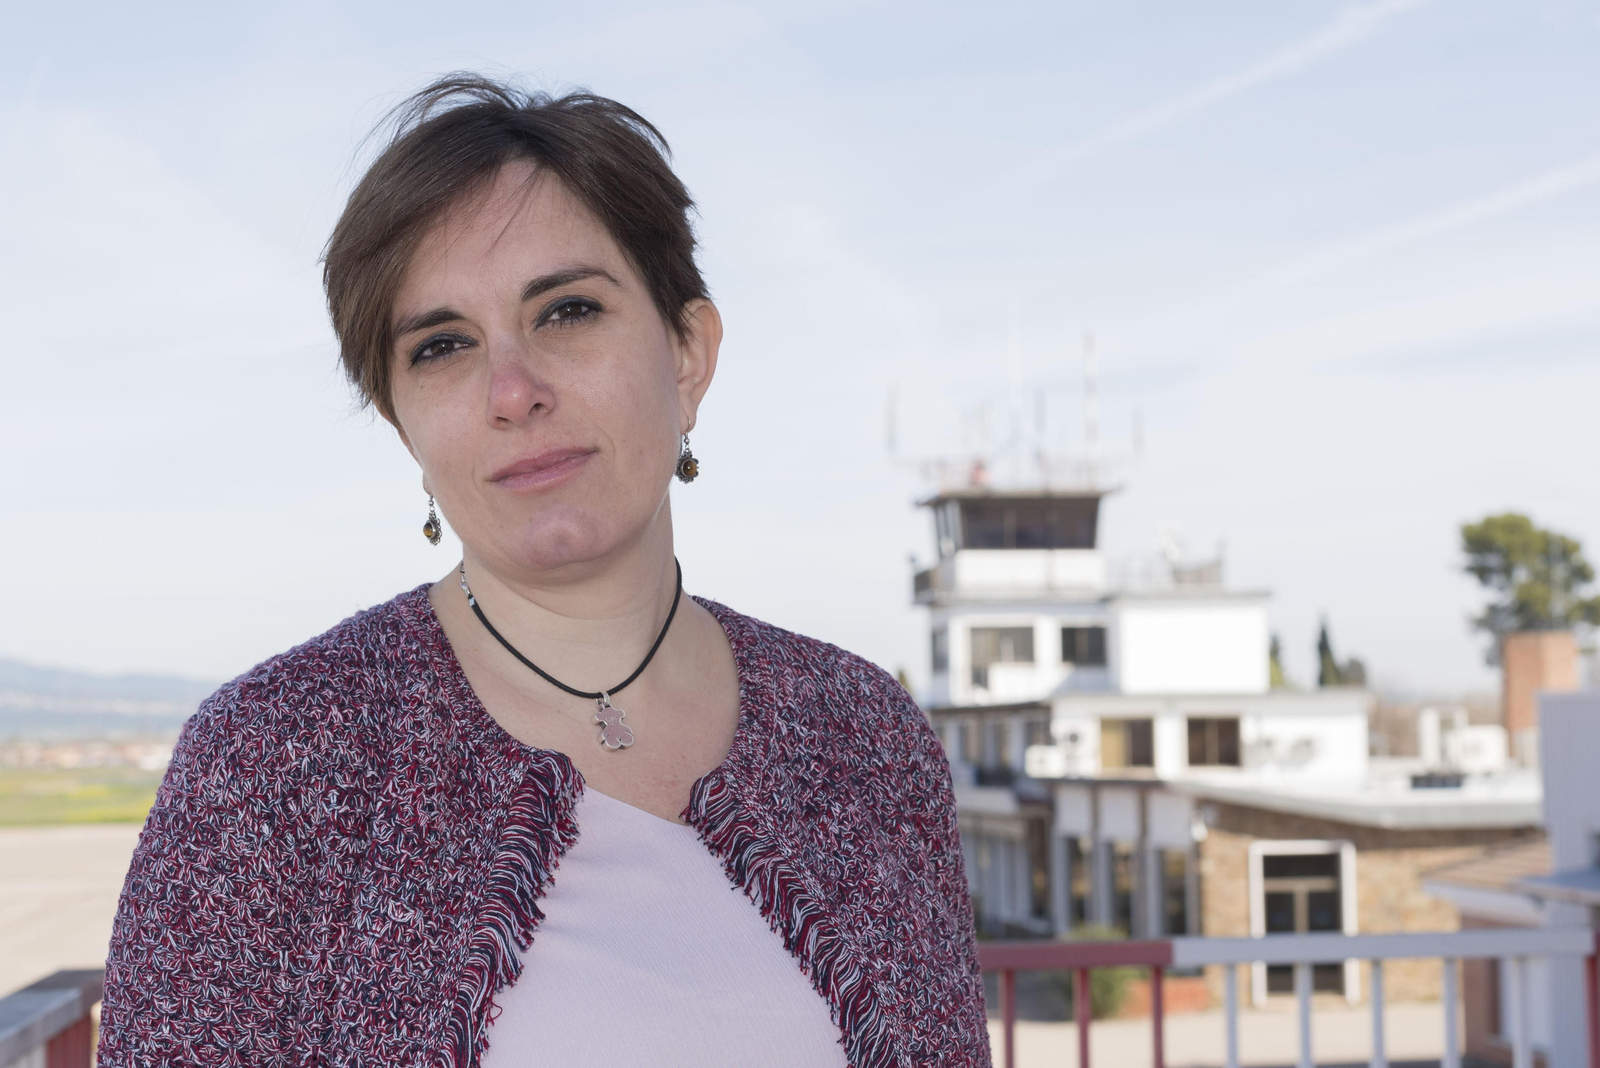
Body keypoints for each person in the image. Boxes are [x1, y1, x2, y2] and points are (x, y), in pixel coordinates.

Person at [96, 73, 988, 1067]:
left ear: (687, 352)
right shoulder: (273, 758)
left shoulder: (863, 736)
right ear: (402, 422)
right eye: (441, 346)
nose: (511, 391)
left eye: (566, 311)